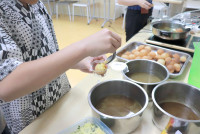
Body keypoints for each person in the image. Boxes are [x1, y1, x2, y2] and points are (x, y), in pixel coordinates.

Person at [0, 0, 121, 133]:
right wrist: (83, 47)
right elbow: (6, 85)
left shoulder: (37, 4)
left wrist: (79, 60)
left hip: (62, 102)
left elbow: (48, 54)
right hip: (31, 123)